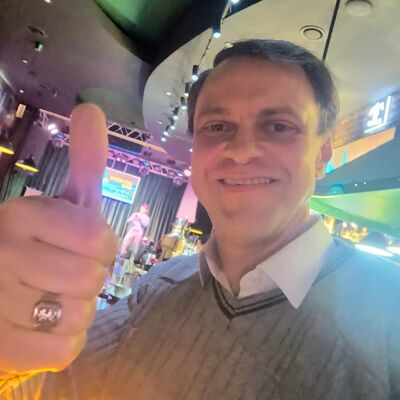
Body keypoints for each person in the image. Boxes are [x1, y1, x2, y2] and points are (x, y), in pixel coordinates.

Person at [1, 39, 399, 399]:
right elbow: (46, 385)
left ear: (322, 153)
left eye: (279, 126)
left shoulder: (390, 314)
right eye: (217, 126)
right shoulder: (157, 287)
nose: (241, 150)